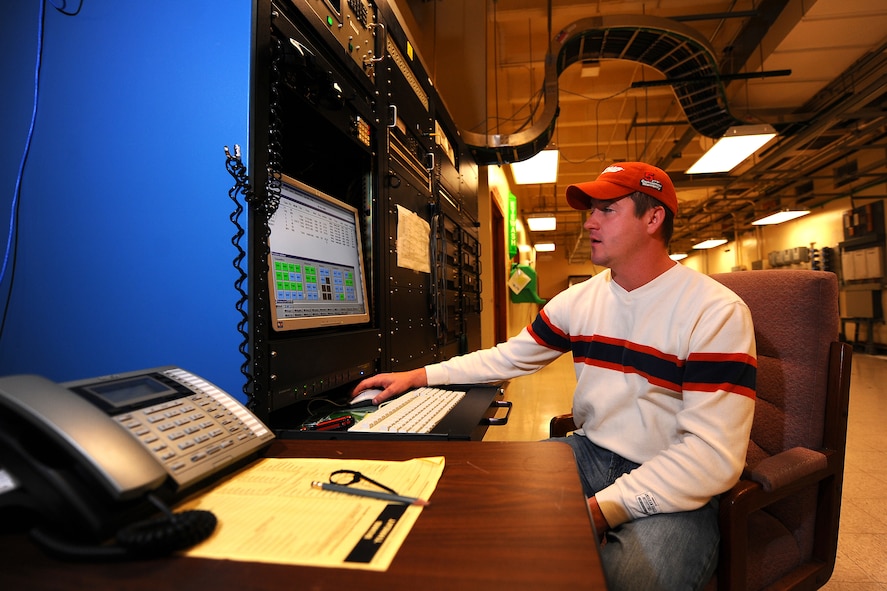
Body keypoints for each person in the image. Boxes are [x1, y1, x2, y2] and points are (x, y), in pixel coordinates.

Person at [351, 162, 756, 591]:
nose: (590, 221)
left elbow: (710, 456)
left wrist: (598, 510)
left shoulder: (714, 311)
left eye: (607, 210)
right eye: (591, 210)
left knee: (627, 581)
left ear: (653, 218)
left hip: (674, 476)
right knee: (472, 511)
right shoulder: (580, 300)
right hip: (589, 453)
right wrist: (419, 375)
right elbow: (509, 358)